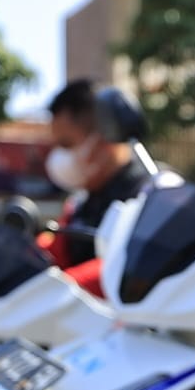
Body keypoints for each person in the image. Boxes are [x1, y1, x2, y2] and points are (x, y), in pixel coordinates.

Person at [44, 79, 152, 279]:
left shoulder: (149, 198)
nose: (58, 156)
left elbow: (128, 266)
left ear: (105, 137)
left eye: (66, 144)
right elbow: (50, 254)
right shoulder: (79, 206)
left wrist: (67, 286)